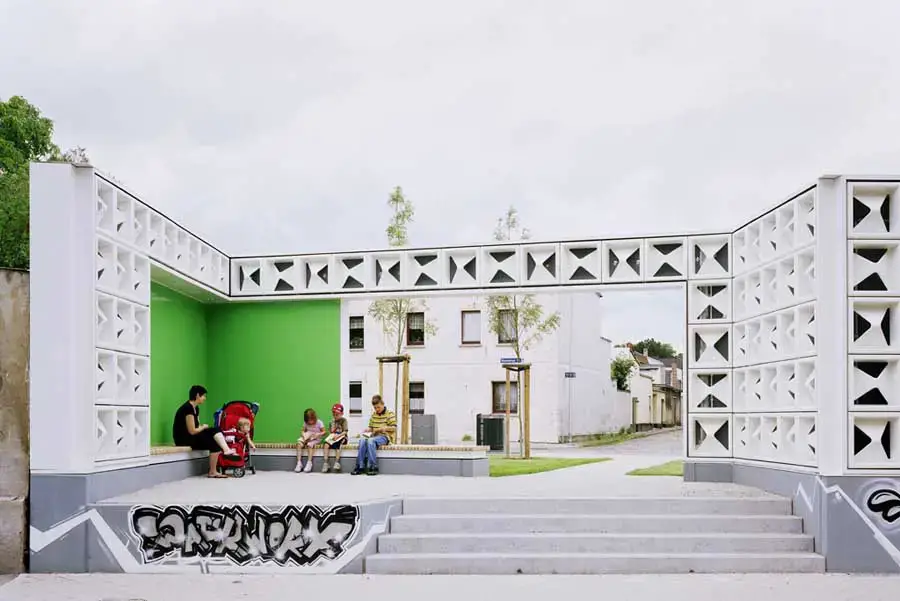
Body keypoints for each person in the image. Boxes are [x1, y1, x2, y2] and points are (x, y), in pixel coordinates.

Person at [172, 385, 241, 478]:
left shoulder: (195, 408)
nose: (205, 398)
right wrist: (204, 427)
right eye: (203, 396)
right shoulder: (187, 408)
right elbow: (192, 431)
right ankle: (224, 453)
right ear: (197, 395)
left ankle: (217, 465)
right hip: (183, 439)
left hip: (192, 435)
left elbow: (197, 427)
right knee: (213, 438)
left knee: (215, 432)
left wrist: (203, 428)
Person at [352, 394, 396, 476]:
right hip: (374, 436)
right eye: (375, 408)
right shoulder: (374, 415)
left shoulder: (390, 414)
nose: (377, 409)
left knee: (370, 440)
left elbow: (394, 428)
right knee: (362, 440)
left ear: (383, 404)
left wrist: (383, 428)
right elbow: (371, 428)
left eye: (378, 407)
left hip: (385, 437)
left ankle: (373, 466)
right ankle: (360, 466)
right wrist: (368, 430)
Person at [294, 408, 325, 473]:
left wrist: (318, 434)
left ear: (314, 417)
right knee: (298, 444)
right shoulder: (306, 423)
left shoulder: (319, 422)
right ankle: (299, 463)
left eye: (311, 420)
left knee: (309, 445)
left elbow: (324, 432)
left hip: (316, 438)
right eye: (308, 421)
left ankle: (309, 463)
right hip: (307, 436)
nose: (310, 422)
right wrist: (303, 435)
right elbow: (303, 430)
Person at [321, 403, 349, 473]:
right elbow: (331, 432)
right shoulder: (332, 421)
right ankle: (326, 462)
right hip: (333, 437)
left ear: (342, 413)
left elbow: (345, 432)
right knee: (326, 445)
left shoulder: (344, 420)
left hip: (342, 436)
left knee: (338, 444)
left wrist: (338, 436)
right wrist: (332, 430)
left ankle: (337, 462)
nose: (335, 416)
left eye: (337, 414)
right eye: (334, 414)